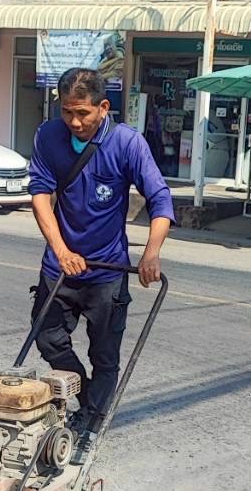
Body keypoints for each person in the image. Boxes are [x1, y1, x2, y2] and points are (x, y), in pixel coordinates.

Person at [28, 66, 174, 456]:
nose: (75, 122)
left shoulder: (127, 143)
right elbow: (40, 195)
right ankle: (90, 397)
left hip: (107, 271)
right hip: (60, 266)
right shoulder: (48, 136)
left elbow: (160, 200)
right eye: (67, 112)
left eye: (83, 113)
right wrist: (61, 251)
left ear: (103, 107)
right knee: (47, 338)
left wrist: (151, 252)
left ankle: (90, 421)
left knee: (104, 355)